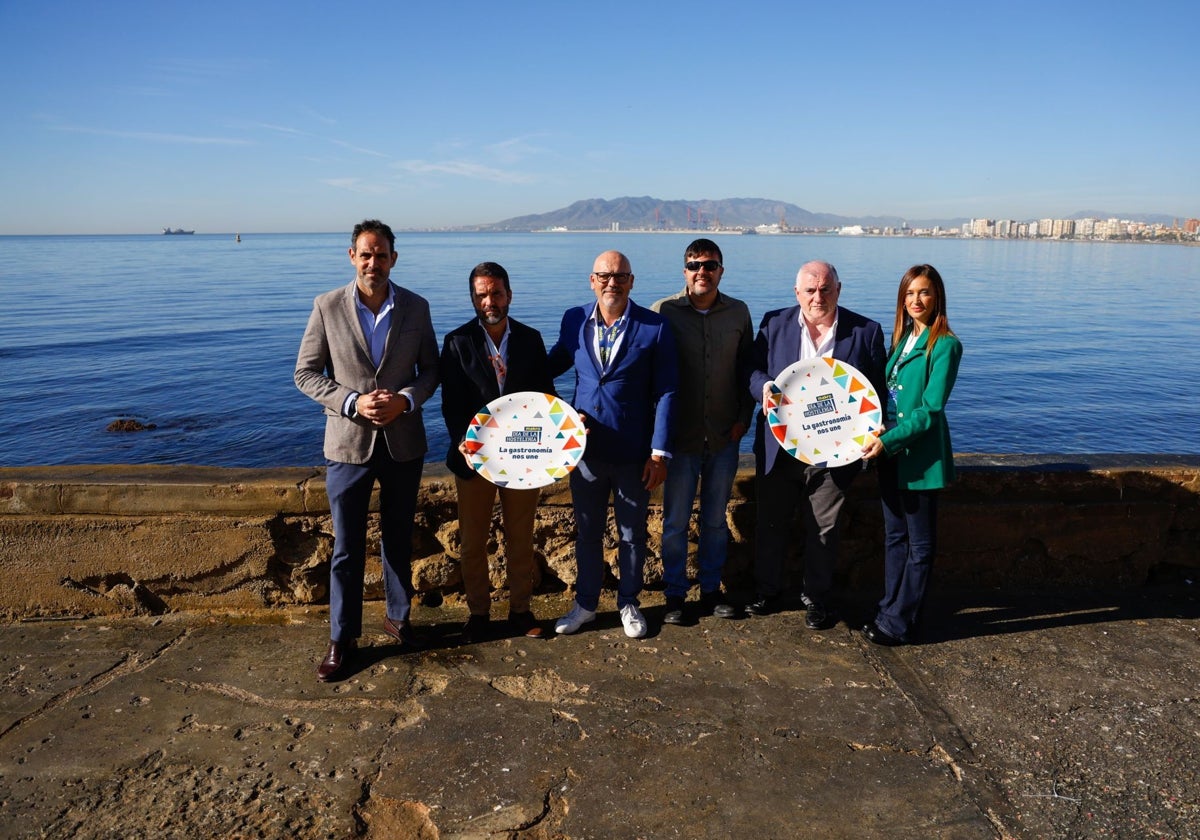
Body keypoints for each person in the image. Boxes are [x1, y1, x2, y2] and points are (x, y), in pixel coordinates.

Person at [295, 219, 440, 681]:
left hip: (403, 443)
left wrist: (405, 400)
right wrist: (353, 401)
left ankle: (399, 620)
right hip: (347, 445)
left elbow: (431, 371)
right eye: (365, 254)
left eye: (381, 255)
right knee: (346, 547)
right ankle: (342, 639)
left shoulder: (416, 307)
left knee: (398, 539)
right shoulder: (326, 307)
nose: (373, 262)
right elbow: (306, 374)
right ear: (351, 256)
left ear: (393, 258)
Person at [747, 260, 886, 630]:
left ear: (839, 289)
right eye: (810, 290)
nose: (817, 297)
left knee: (825, 527)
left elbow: (875, 392)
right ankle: (766, 591)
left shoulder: (865, 331)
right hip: (781, 446)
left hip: (835, 452)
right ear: (797, 293)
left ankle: (817, 599)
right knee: (771, 522)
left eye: (825, 289)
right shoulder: (774, 323)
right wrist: (761, 387)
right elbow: (752, 369)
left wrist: (874, 430)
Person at [547, 250, 678, 639]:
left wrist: (659, 452)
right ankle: (586, 604)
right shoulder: (574, 320)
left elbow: (668, 391)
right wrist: (553, 415)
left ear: (632, 282)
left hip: (633, 453)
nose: (612, 283)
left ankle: (628, 603)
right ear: (592, 280)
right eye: (604, 276)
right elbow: (551, 365)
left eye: (620, 276)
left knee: (631, 534)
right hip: (584, 452)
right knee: (586, 532)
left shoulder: (654, 327)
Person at [439, 261, 555, 643]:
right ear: (473, 298)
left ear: (509, 294)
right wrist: (461, 437)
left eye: (497, 293)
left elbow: (546, 398)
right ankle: (478, 614)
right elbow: (451, 402)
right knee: (473, 542)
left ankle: (521, 611)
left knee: (520, 537)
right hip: (474, 459)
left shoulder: (530, 338)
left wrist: (557, 437)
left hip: (522, 458)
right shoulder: (456, 342)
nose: (490, 301)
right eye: (482, 294)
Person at [651, 239, 754, 625]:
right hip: (680, 439)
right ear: (684, 271)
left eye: (710, 265)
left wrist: (745, 416)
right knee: (675, 522)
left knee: (714, 520)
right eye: (694, 264)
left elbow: (748, 369)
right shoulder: (663, 312)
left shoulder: (739, 313)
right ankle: (675, 595)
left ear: (721, 271)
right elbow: (648, 374)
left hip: (725, 436)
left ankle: (711, 590)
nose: (702, 271)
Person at [860, 264, 963, 646]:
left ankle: (899, 623)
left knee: (919, 547)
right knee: (894, 538)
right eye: (909, 293)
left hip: (920, 458)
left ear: (937, 297)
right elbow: (891, 400)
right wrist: (878, 430)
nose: (916, 300)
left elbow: (930, 410)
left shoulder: (946, 345)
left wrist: (889, 439)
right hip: (890, 453)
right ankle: (889, 607)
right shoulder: (901, 340)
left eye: (924, 292)